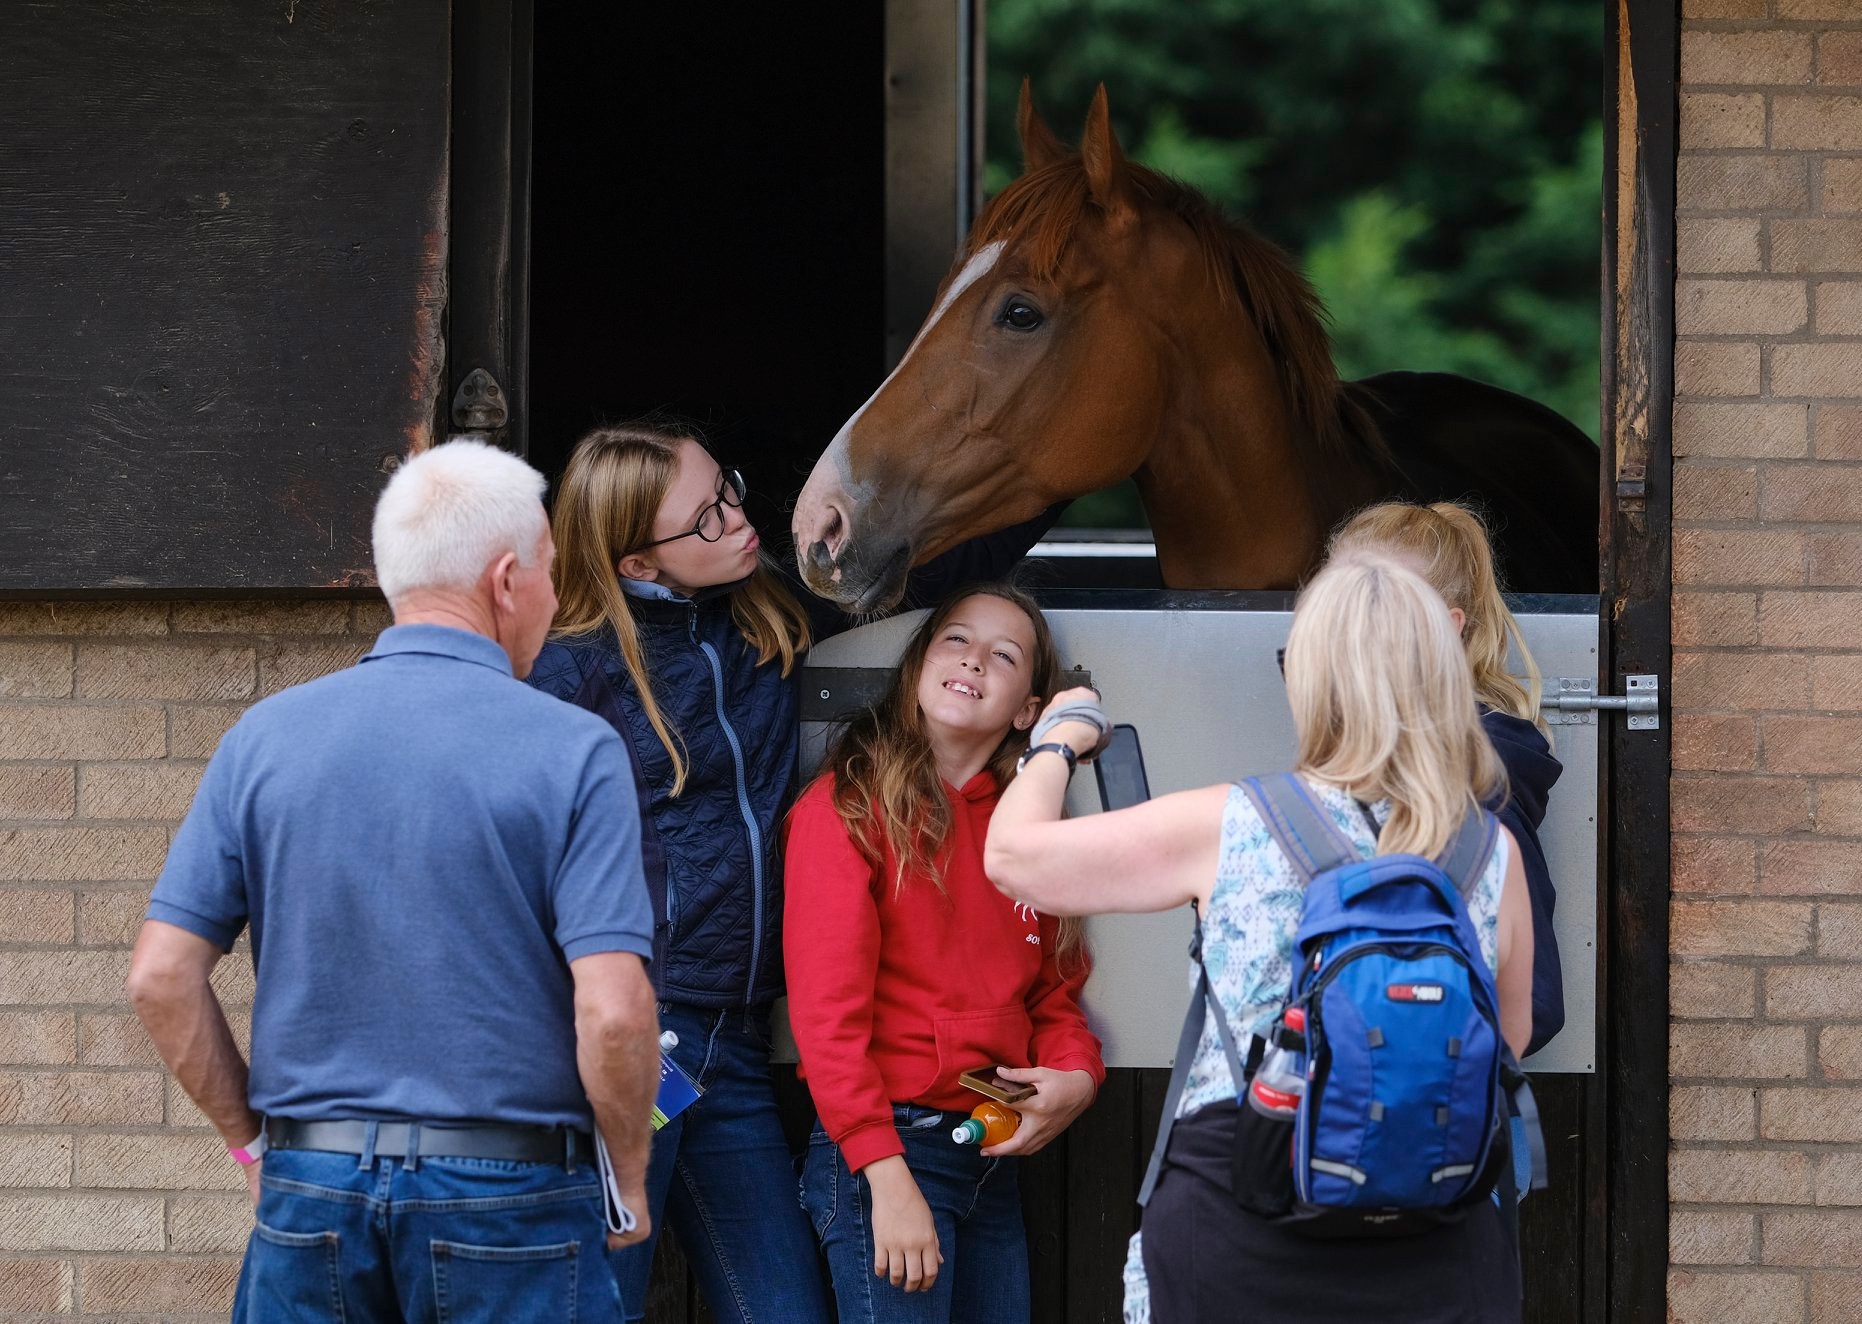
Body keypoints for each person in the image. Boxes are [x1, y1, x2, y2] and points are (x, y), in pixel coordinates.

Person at [526, 423, 1061, 1323]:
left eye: (726, 490)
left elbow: (923, 571)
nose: (738, 520)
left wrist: (1053, 476)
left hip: (730, 1050)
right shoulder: (567, 675)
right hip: (632, 1048)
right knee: (592, 1302)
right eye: (703, 521)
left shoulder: (760, 614)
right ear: (635, 564)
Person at [127, 439, 660, 1323]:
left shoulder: (264, 739)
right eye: (551, 573)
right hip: (513, 1194)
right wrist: (630, 1176)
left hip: (313, 1187)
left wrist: (254, 1148)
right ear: (504, 580)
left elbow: (159, 976)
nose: (556, 598)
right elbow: (613, 1010)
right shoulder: (575, 751)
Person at [985, 552, 1534, 1324]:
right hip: (1440, 1231)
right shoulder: (1489, 851)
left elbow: (1013, 859)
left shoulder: (1235, 822)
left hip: (1239, 1214)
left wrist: (1056, 743)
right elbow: (1507, 1035)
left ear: (1307, 678)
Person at [783, 585, 1104, 1323]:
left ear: (1029, 709)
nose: (974, 660)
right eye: (956, 640)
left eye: (1004, 654)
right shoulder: (846, 809)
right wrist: (885, 1179)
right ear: (919, 668)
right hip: (887, 1154)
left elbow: (1055, 999)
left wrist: (1078, 1079)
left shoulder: (1033, 829)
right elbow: (828, 1023)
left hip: (991, 1155)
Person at [1329, 500, 1565, 1055]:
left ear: (1445, 627)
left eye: (1373, 606)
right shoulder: (1368, 754)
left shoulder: (1472, 785)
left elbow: (1535, 1001)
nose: (1339, 629)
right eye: (1333, 602)